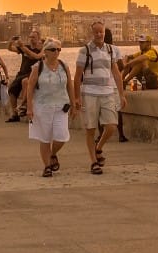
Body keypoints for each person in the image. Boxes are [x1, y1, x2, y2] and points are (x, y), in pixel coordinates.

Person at [74, 22, 125, 175]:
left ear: (104, 32)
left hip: (108, 92)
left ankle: (98, 147)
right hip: (90, 93)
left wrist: (122, 94)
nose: (99, 35)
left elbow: (116, 73)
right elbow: (77, 76)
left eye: (101, 32)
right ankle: (93, 162)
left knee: (111, 126)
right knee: (90, 129)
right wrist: (77, 97)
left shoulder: (110, 50)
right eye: (96, 32)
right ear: (92, 33)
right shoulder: (85, 51)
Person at [23, 39, 73, 177]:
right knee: (44, 138)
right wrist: (29, 107)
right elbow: (30, 87)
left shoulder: (64, 66)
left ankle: (52, 154)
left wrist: (74, 103)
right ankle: (47, 167)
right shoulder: (37, 67)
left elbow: (69, 85)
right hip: (42, 106)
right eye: (53, 49)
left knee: (61, 136)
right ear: (45, 52)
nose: (56, 52)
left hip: (61, 106)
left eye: (58, 49)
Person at [8, 31, 46, 122]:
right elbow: (10, 49)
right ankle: (15, 114)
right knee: (11, 90)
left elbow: (36, 57)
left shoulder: (42, 49)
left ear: (38, 38)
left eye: (33, 37)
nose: (31, 39)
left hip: (33, 73)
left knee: (25, 82)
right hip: (22, 73)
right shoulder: (26, 47)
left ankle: (23, 106)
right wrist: (11, 42)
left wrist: (22, 47)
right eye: (30, 37)